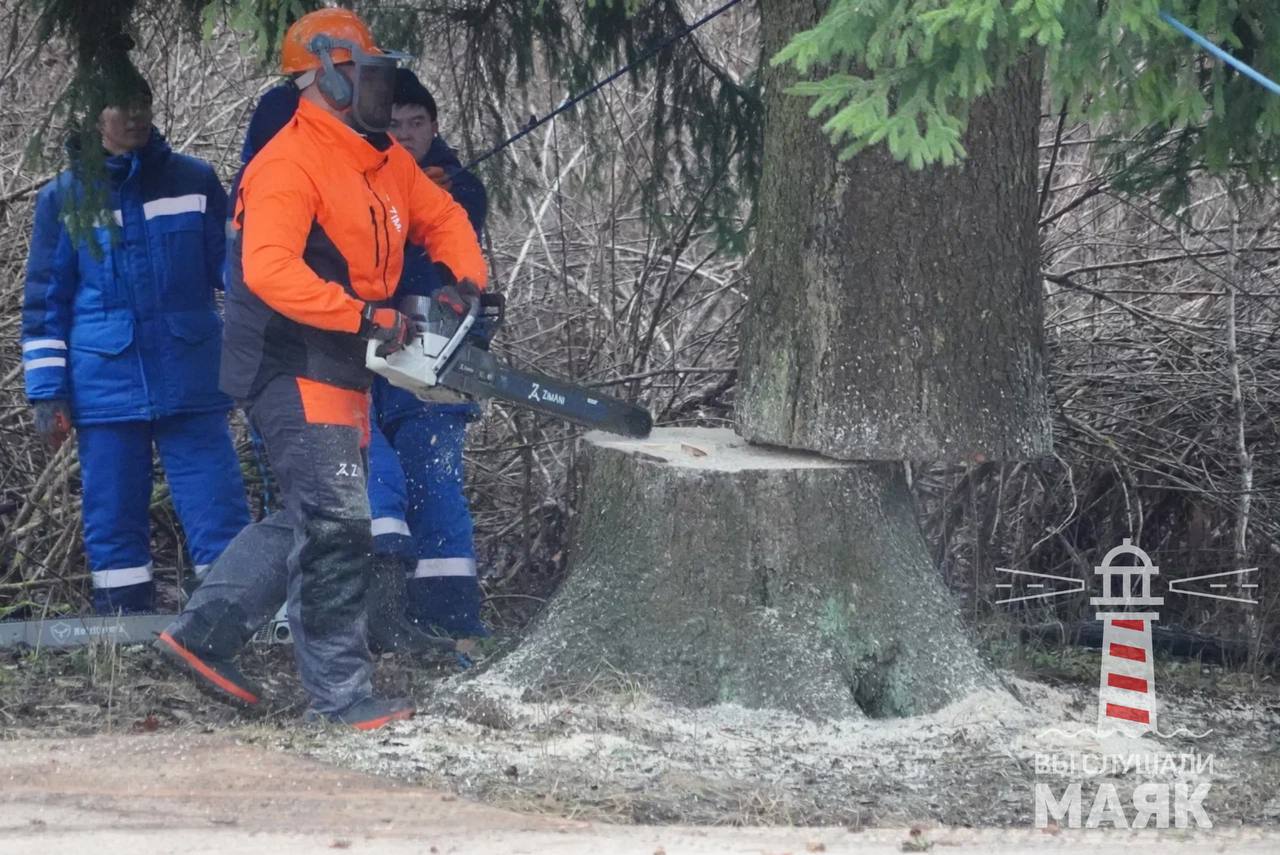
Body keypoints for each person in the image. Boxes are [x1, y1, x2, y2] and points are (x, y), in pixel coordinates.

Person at [154, 8, 487, 730]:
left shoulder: (381, 157)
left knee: (309, 509)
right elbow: (269, 268)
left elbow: (443, 214)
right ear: (329, 73)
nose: (382, 86)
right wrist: (368, 317)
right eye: (369, 72)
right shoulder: (287, 163)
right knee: (339, 521)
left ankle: (203, 635)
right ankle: (339, 696)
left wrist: (463, 279)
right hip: (288, 358)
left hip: (340, 361)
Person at [21, 64, 249, 615]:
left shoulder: (194, 181)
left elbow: (236, 275)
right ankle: (123, 625)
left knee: (216, 504)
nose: (136, 114)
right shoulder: (64, 198)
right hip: (104, 382)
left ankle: (232, 617)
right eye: (122, 105)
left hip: (191, 372)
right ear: (97, 117)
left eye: (142, 102)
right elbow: (45, 303)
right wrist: (48, 392)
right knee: (113, 511)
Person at [368, 69, 489, 644]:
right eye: (395, 125)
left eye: (418, 123)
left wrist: (427, 192)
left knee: (434, 477)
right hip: (371, 346)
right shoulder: (365, 177)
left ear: (434, 126)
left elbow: (454, 233)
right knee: (375, 476)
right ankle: (384, 611)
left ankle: (451, 615)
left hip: (436, 355)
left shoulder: (459, 185)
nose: (408, 134)